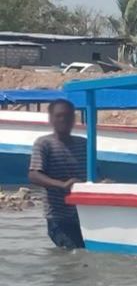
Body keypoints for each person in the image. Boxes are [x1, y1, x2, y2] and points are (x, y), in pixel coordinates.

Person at [28, 99, 87, 249]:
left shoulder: (84, 144)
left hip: (85, 216)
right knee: (74, 255)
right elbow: (34, 174)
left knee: (84, 258)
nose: (64, 119)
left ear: (74, 118)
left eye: (68, 116)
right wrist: (62, 185)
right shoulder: (44, 144)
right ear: (51, 118)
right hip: (58, 218)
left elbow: (95, 174)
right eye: (59, 115)